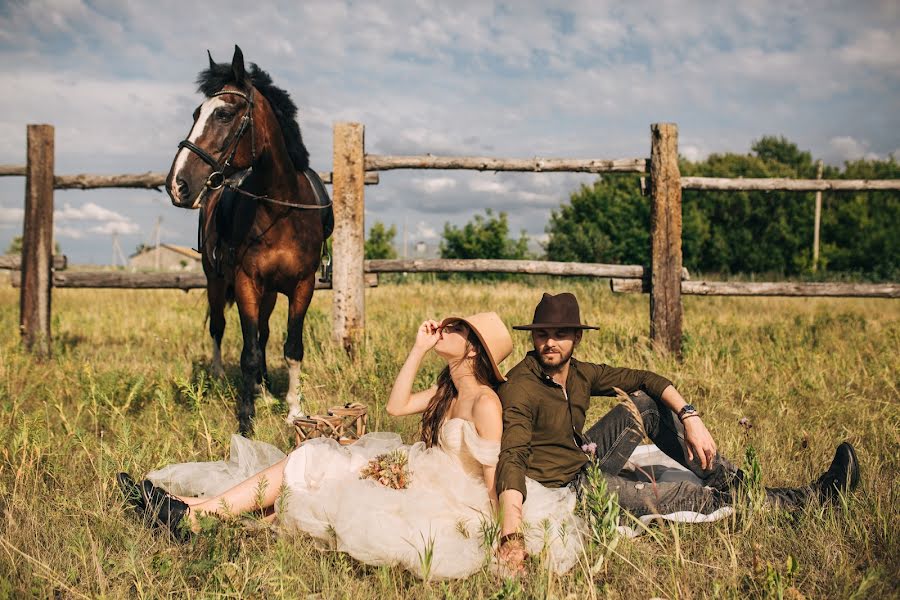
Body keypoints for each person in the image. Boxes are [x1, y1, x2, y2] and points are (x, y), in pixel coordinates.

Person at [118, 312, 523, 579]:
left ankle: (192, 515)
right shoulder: (446, 388)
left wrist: (500, 532)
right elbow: (396, 406)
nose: (443, 329)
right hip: (420, 472)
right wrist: (418, 348)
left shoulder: (485, 402)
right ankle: (191, 512)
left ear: (473, 348)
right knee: (318, 463)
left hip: (452, 497)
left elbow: (492, 476)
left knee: (322, 470)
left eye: (455, 329)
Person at [495, 292, 861, 575]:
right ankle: (807, 501)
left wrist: (690, 417)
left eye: (560, 334)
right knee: (688, 495)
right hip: (570, 488)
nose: (549, 343)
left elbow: (646, 379)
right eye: (542, 334)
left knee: (646, 403)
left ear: (577, 337)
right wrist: (511, 535)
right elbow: (511, 457)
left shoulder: (579, 372)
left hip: (585, 459)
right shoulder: (521, 387)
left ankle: (735, 483)